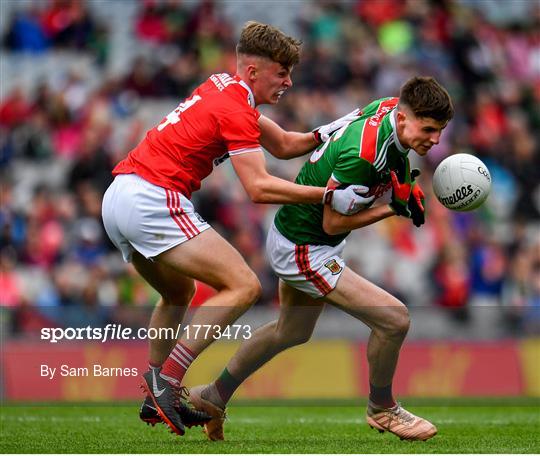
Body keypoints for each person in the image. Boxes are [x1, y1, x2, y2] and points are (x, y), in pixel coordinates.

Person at [101, 21, 370, 436]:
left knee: (178, 292)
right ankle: (168, 382)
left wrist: (346, 123)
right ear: (253, 71)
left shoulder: (221, 87)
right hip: (151, 198)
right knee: (243, 285)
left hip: (119, 195)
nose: (289, 82)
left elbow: (285, 145)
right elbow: (259, 188)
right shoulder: (235, 107)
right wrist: (328, 196)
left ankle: (157, 382)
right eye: (282, 73)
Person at [188, 76, 454, 442]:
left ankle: (211, 397)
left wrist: (401, 185)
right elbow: (333, 221)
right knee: (393, 319)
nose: (436, 140)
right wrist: (392, 207)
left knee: (291, 330)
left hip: (299, 234)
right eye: (430, 129)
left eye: (440, 131)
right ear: (406, 119)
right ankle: (383, 409)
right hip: (306, 246)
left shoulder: (391, 109)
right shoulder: (364, 155)